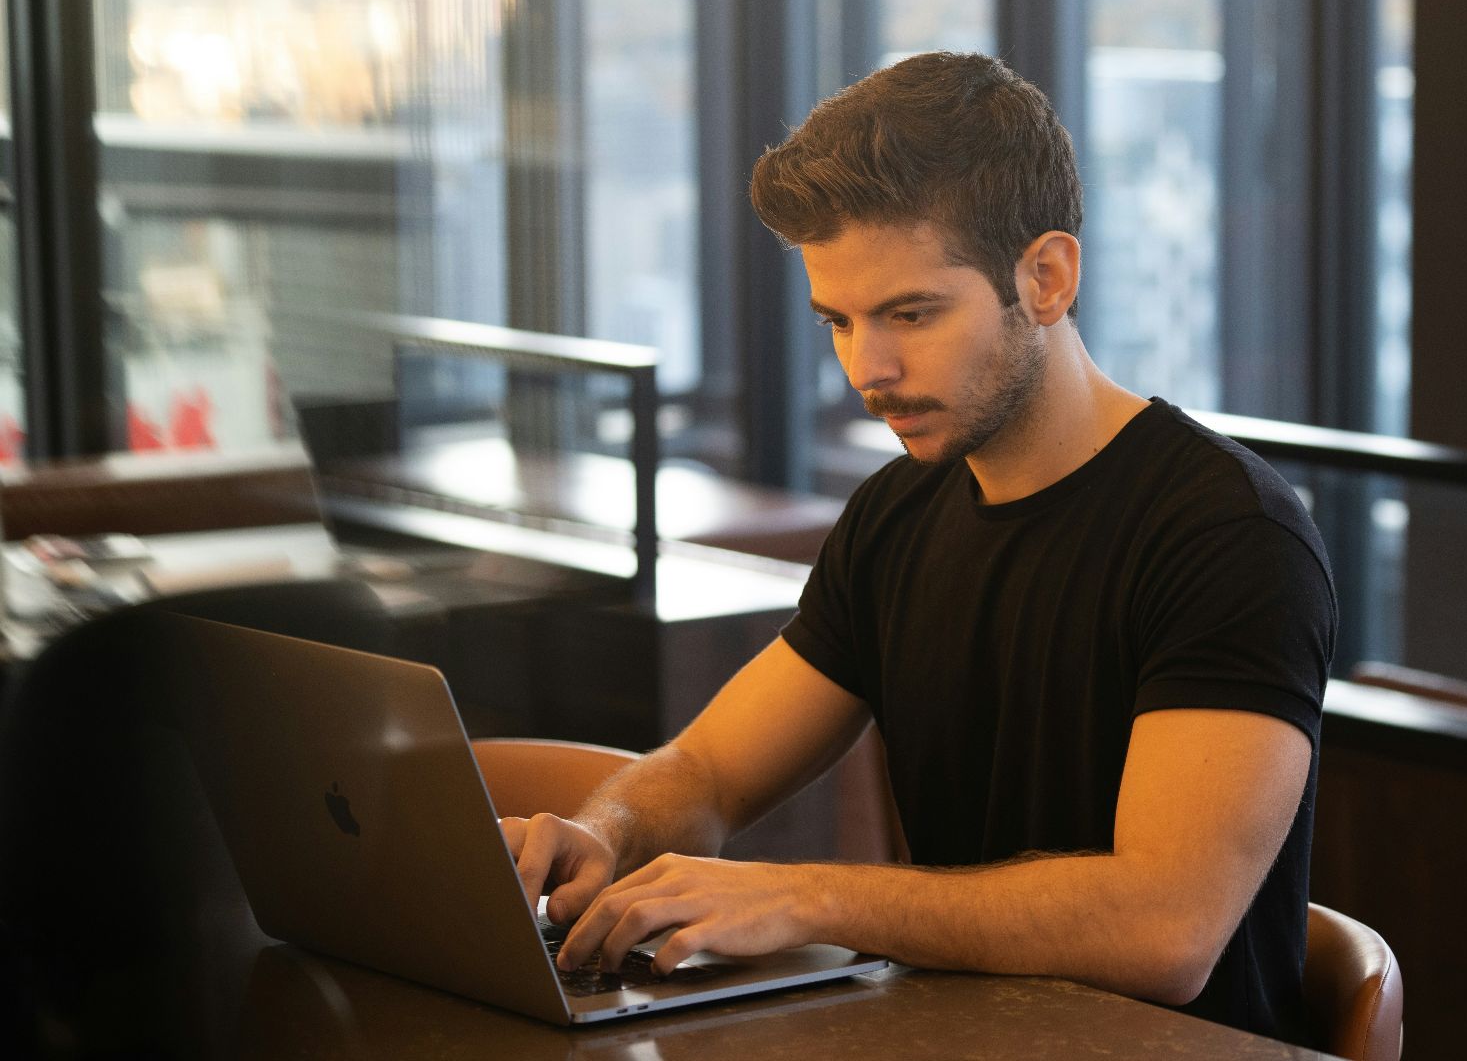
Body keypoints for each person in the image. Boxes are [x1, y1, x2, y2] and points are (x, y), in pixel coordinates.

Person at [503, 51, 1336, 1042]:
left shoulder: (1229, 533)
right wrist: (602, 834)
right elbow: (712, 774)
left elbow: (1165, 927)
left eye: (910, 313)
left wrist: (811, 898)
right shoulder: (894, 516)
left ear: (1048, 277)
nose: (868, 367)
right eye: (839, 323)